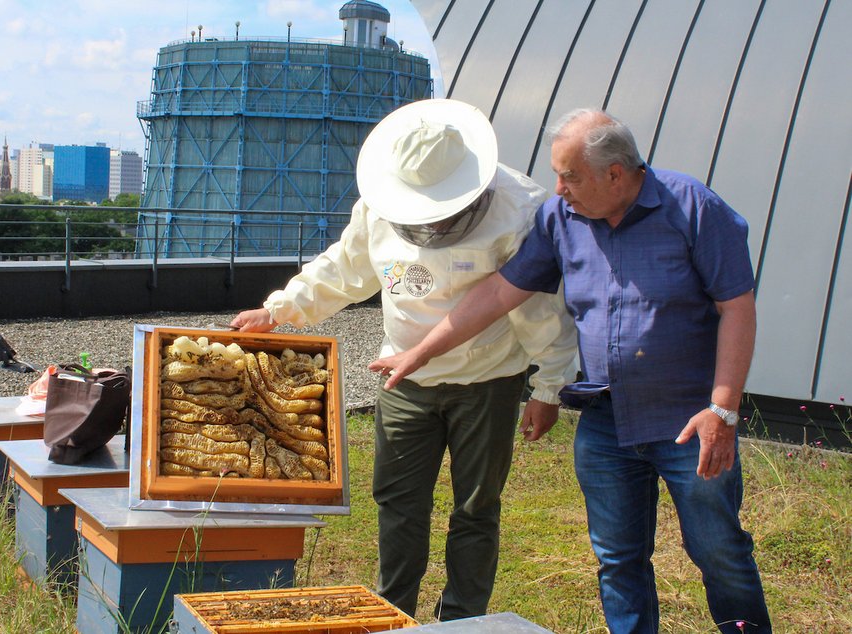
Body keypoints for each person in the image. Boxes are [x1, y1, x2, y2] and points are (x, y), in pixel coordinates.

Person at [370, 108, 772, 633]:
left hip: (688, 420)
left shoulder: (693, 207)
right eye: (557, 173)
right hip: (606, 421)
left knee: (717, 549)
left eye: (570, 176)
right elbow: (499, 292)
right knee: (618, 560)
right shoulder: (561, 219)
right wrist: (419, 352)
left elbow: (736, 307)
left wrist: (723, 408)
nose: (558, 188)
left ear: (617, 174)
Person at [230, 98, 577, 620]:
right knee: (398, 503)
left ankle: (464, 621)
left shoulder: (520, 209)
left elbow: (544, 309)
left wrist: (549, 388)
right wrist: (278, 310)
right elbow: (344, 267)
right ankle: (394, 614)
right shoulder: (379, 204)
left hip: (488, 380)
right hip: (402, 380)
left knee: (476, 507)